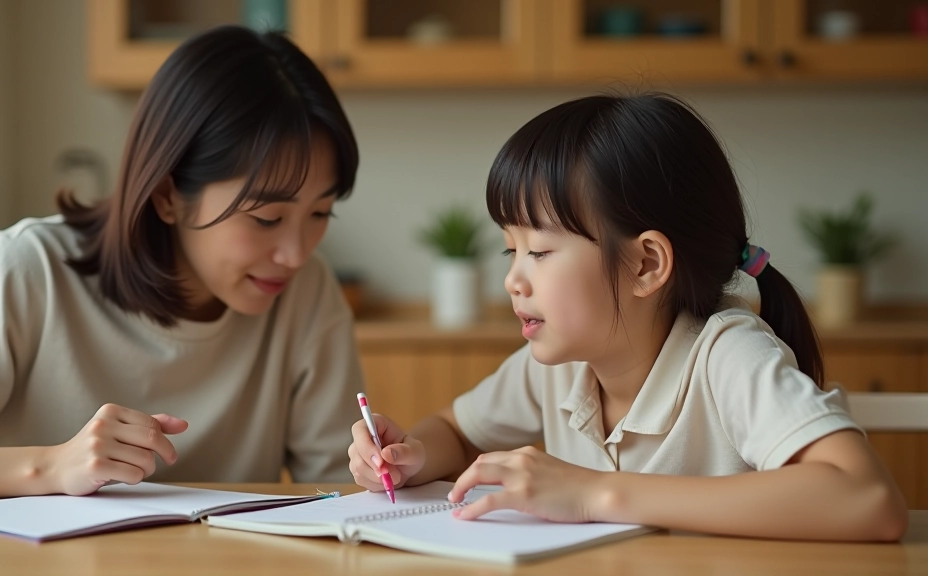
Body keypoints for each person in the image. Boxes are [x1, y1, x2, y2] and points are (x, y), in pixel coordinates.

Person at [348, 93, 907, 541]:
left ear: (645, 264)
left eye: (539, 252)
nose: (512, 280)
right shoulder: (557, 366)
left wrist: (596, 493)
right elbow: (455, 429)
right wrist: (410, 455)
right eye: (509, 251)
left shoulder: (727, 354)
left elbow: (868, 500)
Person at [0, 25, 363, 501]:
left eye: (320, 213)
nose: (296, 253)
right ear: (167, 195)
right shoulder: (31, 269)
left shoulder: (307, 291)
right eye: (267, 218)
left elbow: (340, 492)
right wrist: (50, 468)